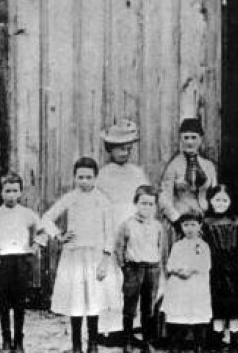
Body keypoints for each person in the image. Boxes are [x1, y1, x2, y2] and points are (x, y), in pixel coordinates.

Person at [42, 158, 115, 353]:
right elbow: (47, 218)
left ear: (95, 178)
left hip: (95, 257)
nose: (84, 181)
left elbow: (110, 232)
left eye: (88, 177)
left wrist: (106, 259)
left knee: (94, 298)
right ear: (74, 177)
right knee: (75, 299)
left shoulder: (103, 200)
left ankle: (92, 343)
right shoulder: (70, 197)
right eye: (80, 177)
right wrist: (59, 235)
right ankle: (76, 344)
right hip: (73, 255)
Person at [0, 172, 48, 353]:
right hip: (2, 261)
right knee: (3, 302)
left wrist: (35, 247)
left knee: (19, 302)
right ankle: (7, 340)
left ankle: (19, 341)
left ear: (21, 192)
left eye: (15, 191)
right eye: (7, 191)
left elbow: (43, 232)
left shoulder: (27, 214)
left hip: (21, 260)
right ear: (1, 193)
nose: (11, 195)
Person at [96, 120, 150, 338]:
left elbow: (146, 197)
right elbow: (99, 203)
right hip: (111, 226)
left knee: (134, 272)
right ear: (109, 149)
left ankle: (133, 326)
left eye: (128, 148)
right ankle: (109, 328)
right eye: (119, 147)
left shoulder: (137, 172)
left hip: (133, 225)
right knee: (112, 276)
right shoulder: (104, 174)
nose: (124, 152)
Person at [114, 185, 165, 353]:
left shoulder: (158, 226)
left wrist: (159, 267)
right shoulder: (127, 224)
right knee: (130, 305)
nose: (147, 207)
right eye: (143, 203)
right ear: (135, 203)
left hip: (152, 268)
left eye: (151, 204)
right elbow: (119, 247)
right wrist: (124, 267)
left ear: (155, 206)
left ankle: (147, 340)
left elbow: (161, 248)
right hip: (133, 268)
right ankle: (127, 340)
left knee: (148, 307)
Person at [161, 209, 212, 353]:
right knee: (178, 314)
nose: (189, 229)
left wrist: (191, 270)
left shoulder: (203, 245)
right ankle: (176, 345)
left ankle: (198, 345)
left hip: (196, 285)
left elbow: (206, 265)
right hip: (179, 285)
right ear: (181, 227)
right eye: (186, 225)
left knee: (197, 314)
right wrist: (178, 271)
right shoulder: (178, 245)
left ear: (200, 225)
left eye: (193, 225)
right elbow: (170, 264)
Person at [203, 184, 238, 351]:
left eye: (224, 200)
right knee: (217, 306)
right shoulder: (206, 222)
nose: (221, 203)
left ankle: (234, 342)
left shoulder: (235, 221)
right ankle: (217, 341)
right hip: (215, 269)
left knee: (233, 306)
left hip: (233, 269)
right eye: (217, 199)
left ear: (230, 201)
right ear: (211, 201)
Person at [159, 118, 217, 237]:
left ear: (200, 139)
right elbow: (164, 197)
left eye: (193, 137)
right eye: (186, 138)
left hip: (203, 221)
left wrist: (212, 217)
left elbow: (215, 193)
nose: (189, 142)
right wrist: (176, 219)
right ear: (181, 139)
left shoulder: (208, 165)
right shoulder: (174, 165)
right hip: (182, 222)